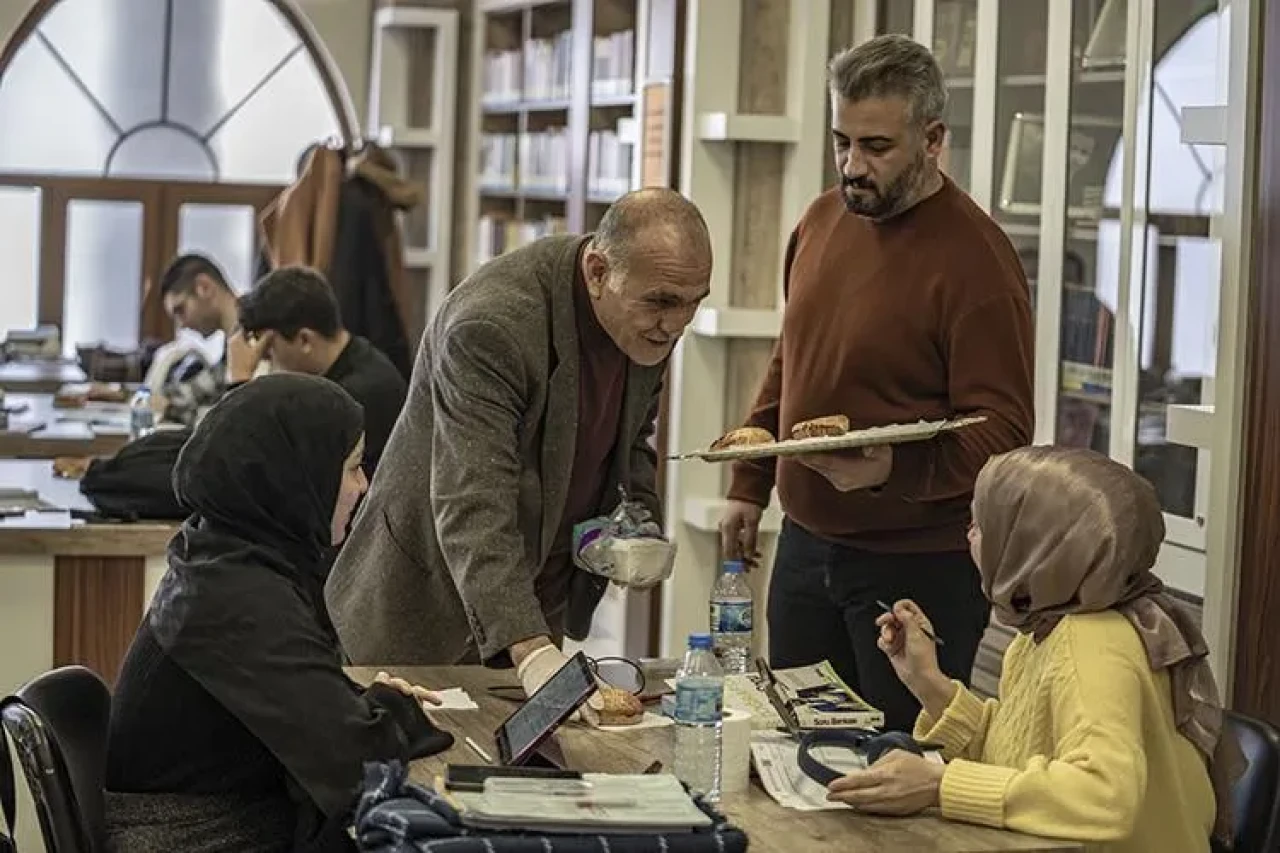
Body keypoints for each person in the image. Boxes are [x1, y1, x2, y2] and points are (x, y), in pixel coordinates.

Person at [719, 35, 1034, 732]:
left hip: (917, 568)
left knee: (897, 766)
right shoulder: (820, 219)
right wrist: (749, 482)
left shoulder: (978, 260)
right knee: (797, 751)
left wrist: (893, 469)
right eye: (842, 142)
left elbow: (1005, 432)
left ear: (933, 139)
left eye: (876, 146)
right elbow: (793, 358)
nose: (852, 166)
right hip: (804, 547)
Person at [325, 188, 712, 695]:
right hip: (423, 605)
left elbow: (633, 433)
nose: (677, 324)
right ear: (597, 272)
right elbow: (472, 500)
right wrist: (530, 650)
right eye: (662, 302)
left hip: (533, 595)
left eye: (694, 302)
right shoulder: (492, 326)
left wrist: (636, 521)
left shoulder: (644, 313)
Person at [105, 374, 453, 852]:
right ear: (296, 476)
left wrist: (367, 705)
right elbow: (355, 767)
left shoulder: (220, 553)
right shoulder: (239, 598)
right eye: (353, 468)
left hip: (203, 821)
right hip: (195, 837)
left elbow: (306, 708)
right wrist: (395, 710)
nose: (364, 485)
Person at [825, 447, 1234, 853]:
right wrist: (927, 681)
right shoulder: (1048, 626)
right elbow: (1018, 754)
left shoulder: (1092, 643)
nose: (969, 535)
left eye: (984, 524)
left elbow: (1106, 795)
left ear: (1037, 547)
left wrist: (939, 784)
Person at [237, 266, 408, 476]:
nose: (265, 360)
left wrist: (240, 380)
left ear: (305, 340)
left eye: (269, 348)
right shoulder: (352, 360)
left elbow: (262, 469)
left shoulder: (355, 394)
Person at [156, 253, 260, 426]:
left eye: (181, 310)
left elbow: (240, 416)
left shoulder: (254, 332)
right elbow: (214, 385)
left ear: (204, 287)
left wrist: (170, 408)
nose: (181, 325)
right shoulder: (233, 338)